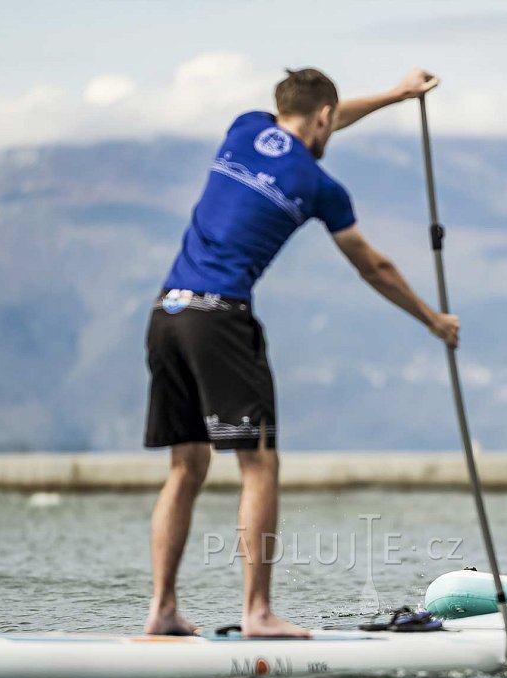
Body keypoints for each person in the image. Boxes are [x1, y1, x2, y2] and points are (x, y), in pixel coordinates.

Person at [144, 68, 459, 637]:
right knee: (259, 464)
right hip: (220, 319)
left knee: (186, 468)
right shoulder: (320, 187)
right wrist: (432, 320)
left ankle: (162, 609)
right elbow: (374, 266)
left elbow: (321, 114)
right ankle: (257, 612)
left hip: (167, 314)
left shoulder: (243, 128)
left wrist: (394, 93)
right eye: (331, 123)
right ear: (323, 119)